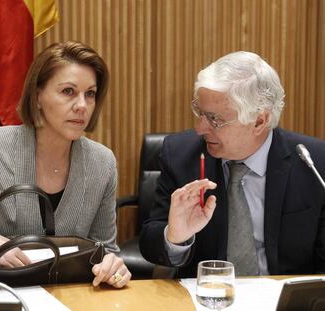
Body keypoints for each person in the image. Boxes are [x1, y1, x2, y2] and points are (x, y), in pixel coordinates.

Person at [0, 41, 131, 288]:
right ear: (37, 97)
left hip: (69, 300)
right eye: (68, 91)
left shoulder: (103, 163)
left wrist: (113, 265)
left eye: (90, 93)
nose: (82, 105)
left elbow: (105, 250)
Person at [139, 51, 325, 277]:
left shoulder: (313, 162)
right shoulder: (180, 155)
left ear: (259, 120)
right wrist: (175, 238)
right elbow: (150, 243)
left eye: (214, 119)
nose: (200, 128)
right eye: (200, 112)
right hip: (208, 297)